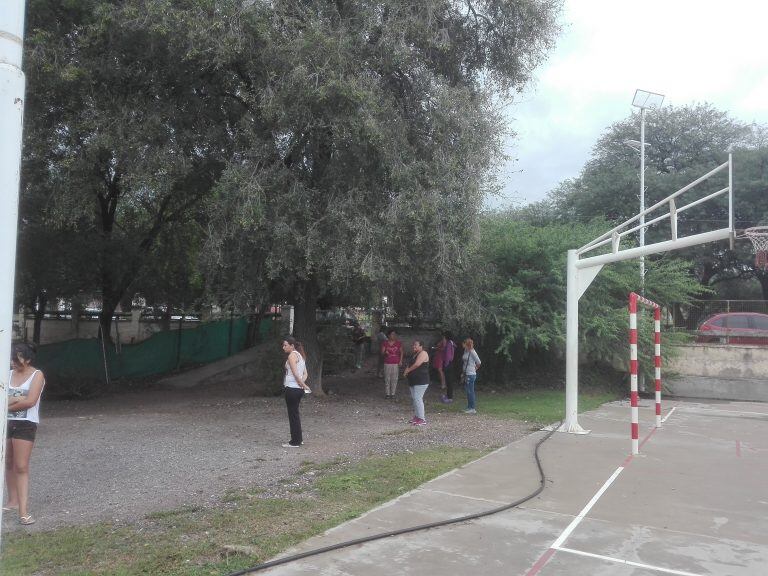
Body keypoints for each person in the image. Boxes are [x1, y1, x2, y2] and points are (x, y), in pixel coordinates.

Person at [5, 342, 46, 525]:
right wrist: (16, 399)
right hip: (5, 423)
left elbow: (30, 401)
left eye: (16, 359)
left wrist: (8, 403)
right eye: (11, 359)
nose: (13, 363)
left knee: (21, 466)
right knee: (7, 462)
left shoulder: (37, 375)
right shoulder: (7, 374)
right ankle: (12, 501)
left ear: (28, 359)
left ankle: (23, 512)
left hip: (25, 424)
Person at [281, 336, 310, 448]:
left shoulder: (292, 355)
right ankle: (298, 439)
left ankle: (295, 442)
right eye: (283, 345)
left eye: (285, 345)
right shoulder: (300, 356)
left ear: (292, 346)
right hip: (297, 389)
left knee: (293, 415)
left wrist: (303, 384)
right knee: (295, 415)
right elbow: (305, 374)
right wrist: (301, 384)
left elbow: (295, 373)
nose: (283, 347)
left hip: (292, 389)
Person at [403, 340, 430, 426]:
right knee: (415, 399)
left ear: (421, 346)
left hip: (421, 381)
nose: (414, 346)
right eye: (413, 345)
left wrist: (408, 370)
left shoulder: (423, 353)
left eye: (416, 345)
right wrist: (406, 372)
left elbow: (417, 364)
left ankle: (422, 419)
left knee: (418, 398)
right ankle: (417, 416)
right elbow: (410, 364)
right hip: (413, 380)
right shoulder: (414, 354)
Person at [381, 329, 403, 399]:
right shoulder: (385, 343)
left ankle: (393, 394)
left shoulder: (398, 343)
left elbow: (402, 352)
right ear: (388, 335)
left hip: (396, 363)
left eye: (395, 334)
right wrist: (385, 353)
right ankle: (387, 394)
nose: (394, 336)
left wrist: (400, 361)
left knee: (395, 378)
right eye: (392, 334)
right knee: (387, 378)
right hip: (387, 363)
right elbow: (382, 353)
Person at [461, 338, 481, 414]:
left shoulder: (473, 352)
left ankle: (472, 408)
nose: (462, 345)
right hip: (466, 373)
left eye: (463, 343)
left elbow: (479, 362)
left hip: (471, 374)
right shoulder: (466, 351)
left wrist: (474, 369)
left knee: (470, 391)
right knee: (468, 391)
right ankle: (469, 407)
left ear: (467, 344)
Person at [440, 331, 457, 404]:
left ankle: (450, 398)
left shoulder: (449, 344)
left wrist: (445, 365)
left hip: (448, 364)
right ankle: (448, 395)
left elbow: (448, 355)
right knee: (448, 381)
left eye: (444, 336)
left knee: (449, 381)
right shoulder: (451, 343)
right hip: (449, 364)